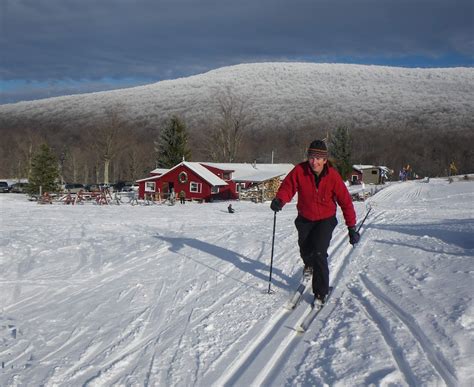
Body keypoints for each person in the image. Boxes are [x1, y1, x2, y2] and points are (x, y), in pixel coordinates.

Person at [270, 139, 360, 306]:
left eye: (318, 159)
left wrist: (351, 227)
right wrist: (279, 200)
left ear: (325, 160)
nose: (314, 162)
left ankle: (320, 292)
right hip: (305, 218)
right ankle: (308, 265)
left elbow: (345, 201)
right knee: (305, 249)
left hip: (325, 219)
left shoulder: (332, 176)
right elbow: (288, 187)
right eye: (311, 157)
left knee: (319, 252)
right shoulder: (299, 170)